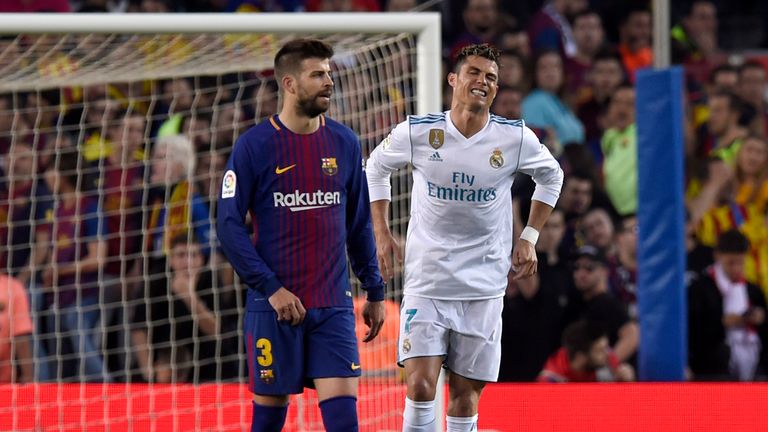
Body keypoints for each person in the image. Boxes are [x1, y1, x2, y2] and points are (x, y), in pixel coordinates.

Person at [366, 43, 564, 431]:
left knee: (463, 397)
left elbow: (552, 176)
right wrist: (381, 233)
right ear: (453, 79)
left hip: (483, 286)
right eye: (474, 72)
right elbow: (375, 167)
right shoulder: (419, 131)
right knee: (421, 386)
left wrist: (529, 236)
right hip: (428, 280)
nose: (483, 82)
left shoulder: (514, 138)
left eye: (491, 77)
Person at [216, 39, 386, 432]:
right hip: (274, 308)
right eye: (318, 74)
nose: (329, 81)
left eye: (329, 73)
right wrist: (271, 288)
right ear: (289, 84)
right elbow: (228, 227)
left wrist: (374, 290)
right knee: (268, 425)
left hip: (333, 308)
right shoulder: (254, 146)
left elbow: (358, 224)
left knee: (344, 424)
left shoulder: (343, 142)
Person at [537, 320, 634, 382]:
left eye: (606, 347)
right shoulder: (550, 380)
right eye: (599, 351)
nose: (607, 354)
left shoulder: (608, 359)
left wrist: (626, 382)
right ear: (580, 358)